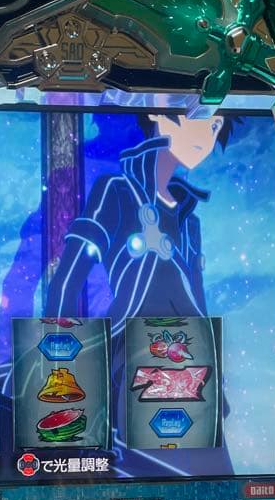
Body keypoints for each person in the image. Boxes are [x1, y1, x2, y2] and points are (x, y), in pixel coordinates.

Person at [45, 110, 240, 334]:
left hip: (186, 349)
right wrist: (61, 346)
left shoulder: (190, 221)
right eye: (198, 118)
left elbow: (198, 308)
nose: (205, 136)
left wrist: (210, 351)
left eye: (214, 126)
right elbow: (66, 283)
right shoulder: (117, 191)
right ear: (157, 114)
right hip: (126, 345)